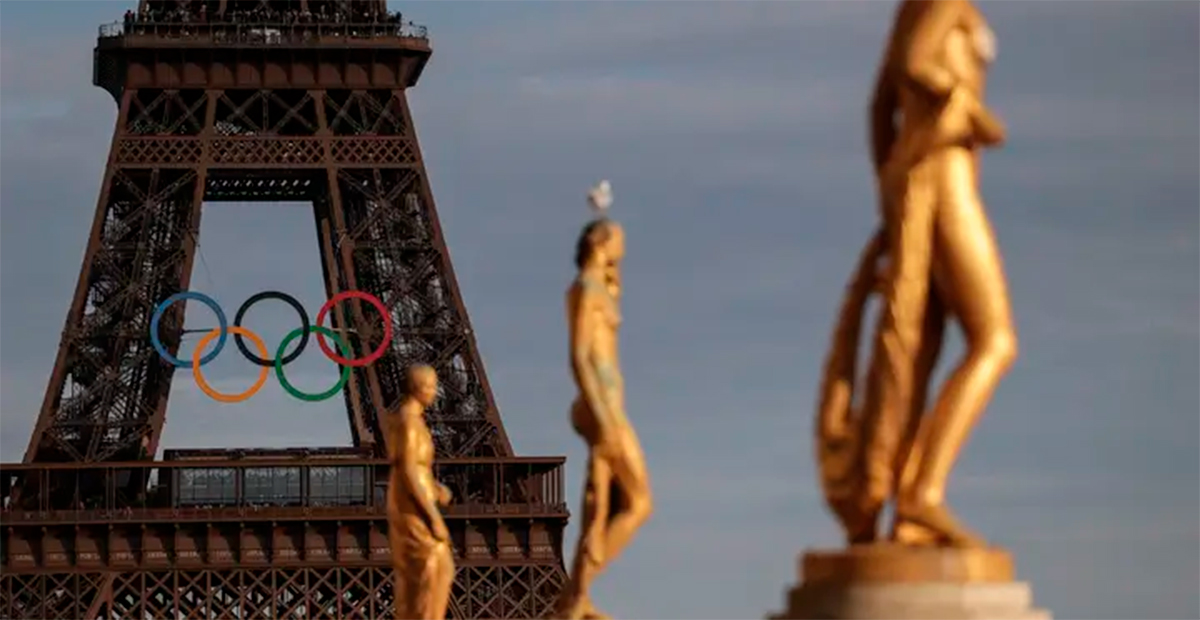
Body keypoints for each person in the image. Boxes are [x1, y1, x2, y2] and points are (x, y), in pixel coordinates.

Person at [552, 215, 653, 620]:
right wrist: (600, 410)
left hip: (609, 404)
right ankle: (576, 594)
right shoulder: (585, 289)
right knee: (638, 502)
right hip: (601, 405)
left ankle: (577, 595)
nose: (622, 251)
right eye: (618, 243)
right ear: (600, 242)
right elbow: (579, 354)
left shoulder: (598, 289)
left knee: (606, 505)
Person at [384, 366, 455, 620]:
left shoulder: (413, 421)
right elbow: (408, 471)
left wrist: (435, 489)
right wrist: (434, 518)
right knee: (435, 566)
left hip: (416, 500)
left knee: (430, 572)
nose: (435, 392)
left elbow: (415, 469)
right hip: (412, 508)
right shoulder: (408, 422)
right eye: (431, 386)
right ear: (417, 389)